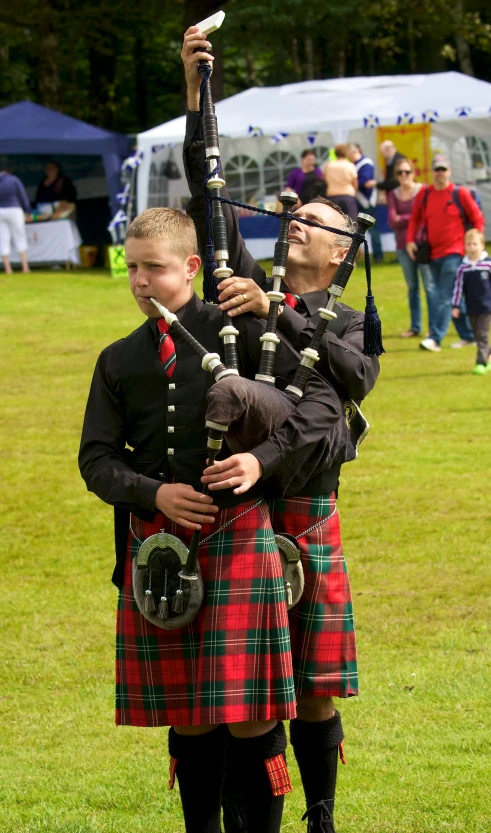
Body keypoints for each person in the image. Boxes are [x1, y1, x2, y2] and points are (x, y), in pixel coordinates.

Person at [79, 206, 354, 833]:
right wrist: (154, 495)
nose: (142, 282)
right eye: (134, 269)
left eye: (155, 268)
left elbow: (317, 406)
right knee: (191, 712)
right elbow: (95, 459)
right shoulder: (118, 359)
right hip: (161, 548)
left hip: (240, 537)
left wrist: (259, 459)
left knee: (251, 709)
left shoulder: (245, 333)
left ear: (193, 267)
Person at [181, 25, 381, 833]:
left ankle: (323, 814)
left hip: (307, 502)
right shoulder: (244, 280)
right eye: (292, 214)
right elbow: (207, 188)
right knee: (244, 686)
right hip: (243, 504)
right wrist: (199, 91)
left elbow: (354, 378)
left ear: (340, 251)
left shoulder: (347, 321)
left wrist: (282, 312)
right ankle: (239, 811)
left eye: (313, 220)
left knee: (318, 680)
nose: (294, 221)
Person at [406, 154, 485, 353]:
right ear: (432, 171)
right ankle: (468, 336)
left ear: (449, 171)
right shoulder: (425, 194)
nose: (440, 173)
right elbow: (415, 218)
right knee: (454, 297)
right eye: (437, 169)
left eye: (443, 169)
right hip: (433, 253)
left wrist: (476, 243)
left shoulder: (460, 193)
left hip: (455, 252)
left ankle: (435, 338)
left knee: (444, 295)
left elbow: (477, 218)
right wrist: (409, 240)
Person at [387, 157, 437, 337]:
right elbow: (392, 220)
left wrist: (406, 218)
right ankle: (415, 327)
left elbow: (426, 217)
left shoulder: (422, 191)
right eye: (400, 172)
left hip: (422, 245)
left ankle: (433, 327)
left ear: (413, 173)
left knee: (429, 287)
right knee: (412, 287)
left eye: (407, 172)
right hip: (402, 245)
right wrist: (413, 217)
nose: (403, 176)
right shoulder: (394, 194)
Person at [451, 229, 491, 375]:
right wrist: (455, 305)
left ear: (482, 245)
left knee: (482, 334)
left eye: (475, 244)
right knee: (478, 335)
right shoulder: (463, 268)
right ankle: (488, 354)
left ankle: (481, 363)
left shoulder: (488, 265)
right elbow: (458, 288)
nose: (472, 247)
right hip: (471, 307)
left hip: (487, 307)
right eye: (469, 244)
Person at [347, 143, 383, 263]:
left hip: (367, 200)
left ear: (354, 152)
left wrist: (352, 182)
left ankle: (378, 255)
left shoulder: (365, 163)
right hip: (357, 199)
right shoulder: (352, 165)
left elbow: (365, 180)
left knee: (372, 229)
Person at [0, 162, 31, 273]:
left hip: (0, 212)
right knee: (20, 237)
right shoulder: (14, 180)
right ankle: (25, 267)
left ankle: (8, 269)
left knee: (3, 239)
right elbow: (23, 196)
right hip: (14, 209)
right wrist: (28, 211)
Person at [322, 144, 358, 220]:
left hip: (332, 196)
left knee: (333, 221)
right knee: (351, 222)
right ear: (346, 153)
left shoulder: (328, 165)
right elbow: (355, 183)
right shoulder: (350, 165)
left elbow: (324, 179)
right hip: (347, 195)